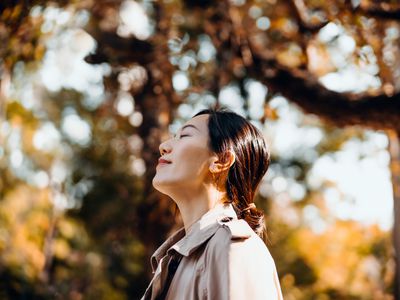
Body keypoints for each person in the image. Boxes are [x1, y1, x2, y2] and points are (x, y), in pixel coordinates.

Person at [141, 107, 283, 300]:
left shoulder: (235, 249)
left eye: (185, 136)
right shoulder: (177, 261)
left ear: (222, 160)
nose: (164, 145)